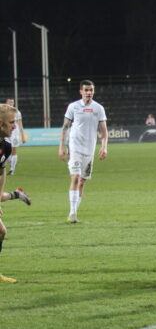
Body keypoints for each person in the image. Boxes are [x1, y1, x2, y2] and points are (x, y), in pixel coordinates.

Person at [58, 80, 108, 224]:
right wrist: (61, 146)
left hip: (89, 149)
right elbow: (65, 128)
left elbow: (104, 132)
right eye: (86, 90)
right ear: (81, 91)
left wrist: (104, 147)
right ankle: (72, 213)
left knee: (82, 182)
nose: (89, 92)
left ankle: (74, 211)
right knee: (75, 178)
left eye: (91, 90)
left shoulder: (98, 108)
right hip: (75, 147)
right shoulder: (73, 106)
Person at [0, 104, 32, 283]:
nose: (15, 126)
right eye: (12, 122)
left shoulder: (5, 146)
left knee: (1, 232)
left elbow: (1, 172)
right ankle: (17, 194)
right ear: (1, 123)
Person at [5, 98, 26, 175]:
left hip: (14, 133)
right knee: (6, 149)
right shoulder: (3, 111)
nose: (11, 103)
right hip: (6, 132)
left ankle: (12, 170)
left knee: (13, 150)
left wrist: (23, 135)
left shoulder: (17, 112)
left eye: (12, 102)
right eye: (10, 102)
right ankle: (10, 160)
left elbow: (20, 124)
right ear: (6, 103)